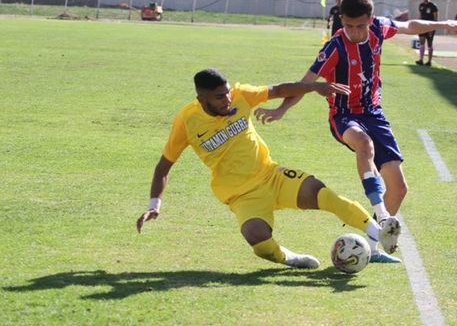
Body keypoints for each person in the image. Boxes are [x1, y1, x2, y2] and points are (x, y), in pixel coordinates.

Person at [255, 0, 457, 256]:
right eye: (348, 26)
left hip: (374, 114)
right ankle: (381, 213)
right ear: (341, 20)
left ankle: (371, 249)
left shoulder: (379, 28)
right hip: (344, 116)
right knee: (364, 144)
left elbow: (410, 26)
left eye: (360, 26)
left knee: (399, 188)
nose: (354, 32)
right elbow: (306, 82)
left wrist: (443, 24)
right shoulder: (334, 47)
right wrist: (282, 108)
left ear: (370, 20)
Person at [136, 68, 402, 268]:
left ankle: (380, 234)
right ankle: (291, 258)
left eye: (227, 92)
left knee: (323, 194)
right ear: (201, 98)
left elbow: (277, 89)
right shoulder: (187, 121)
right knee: (258, 241)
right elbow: (163, 167)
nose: (227, 100)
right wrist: (154, 205)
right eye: (219, 97)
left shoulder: (240, 95)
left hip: (272, 176)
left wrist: (313, 87)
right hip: (241, 196)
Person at [416, 0, 438, 66]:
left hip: (430, 26)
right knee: (422, 42)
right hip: (422, 26)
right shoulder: (421, 5)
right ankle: (421, 60)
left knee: (429, 44)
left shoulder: (433, 6)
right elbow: (420, 15)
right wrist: (418, 24)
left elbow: (435, 18)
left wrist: (433, 27)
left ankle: (429, 61)